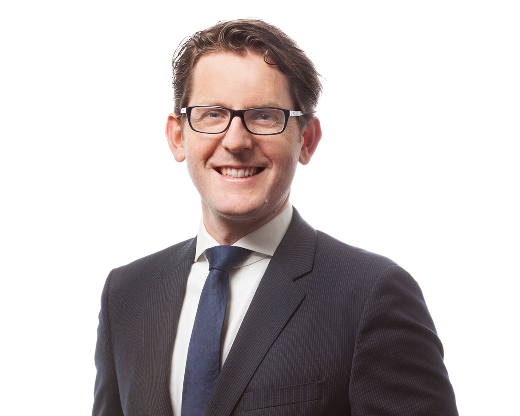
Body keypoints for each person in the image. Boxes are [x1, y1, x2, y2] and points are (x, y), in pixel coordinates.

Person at [92, 15, 458, 416]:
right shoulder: (127, 292)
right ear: (178, 136)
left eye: (264, 116)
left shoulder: (373, 292)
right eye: (212, 114)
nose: (236, 141)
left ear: (307, 140)